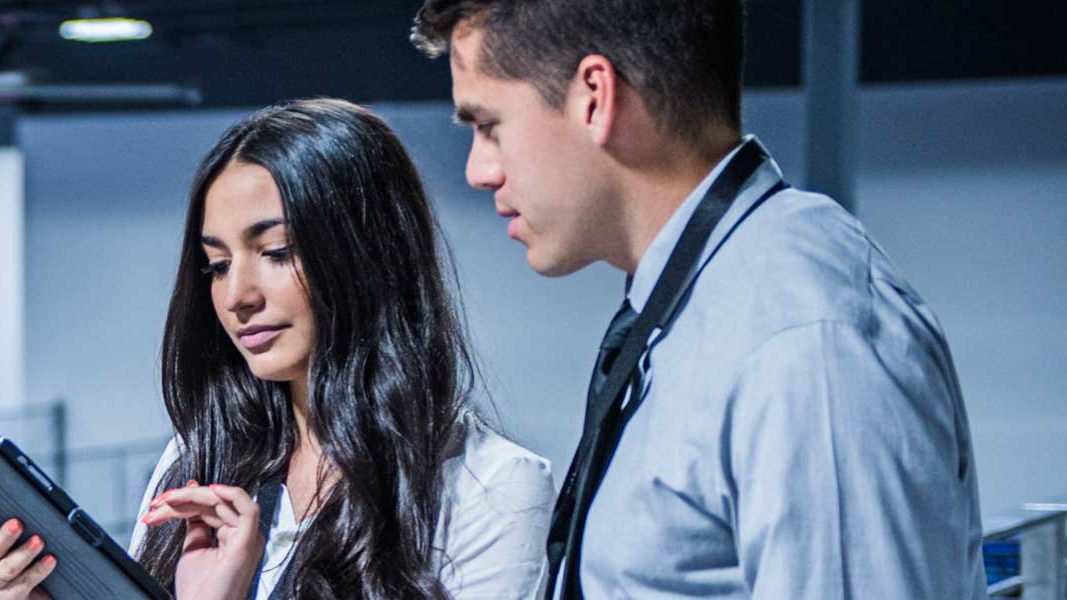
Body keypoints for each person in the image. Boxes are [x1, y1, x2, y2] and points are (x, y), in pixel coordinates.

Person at [408, 1, 983, 598]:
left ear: (594, 97)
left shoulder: (803, 339)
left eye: (488, 126)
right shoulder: (700, 307)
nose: (479, 170)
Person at [0, 98, 554, 600]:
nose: (236, 295)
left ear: (371, 254)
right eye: (216, 265)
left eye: (276, 252)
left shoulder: (490, 489)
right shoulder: (196, 460)